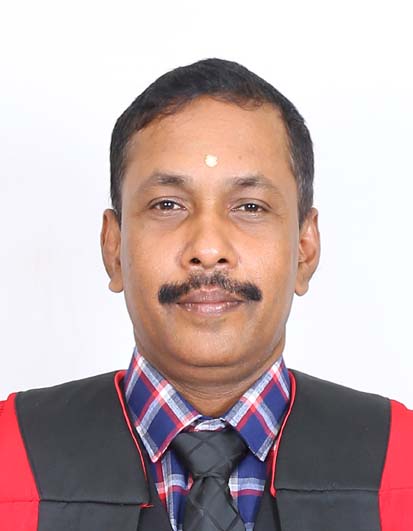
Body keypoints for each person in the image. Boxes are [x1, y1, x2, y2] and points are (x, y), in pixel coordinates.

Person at [0, 58, 412, 531]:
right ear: (114, 248)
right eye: (168, 205)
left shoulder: (400, 461)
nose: (209, 249)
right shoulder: (11, 454)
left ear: (305, 247)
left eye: (250, 206)